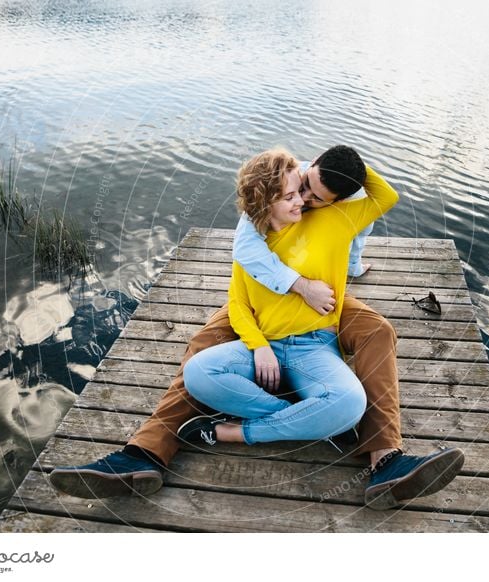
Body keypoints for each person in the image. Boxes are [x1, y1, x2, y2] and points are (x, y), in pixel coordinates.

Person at [49, 145, 464, 510]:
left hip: (319, 308)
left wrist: (340, 161)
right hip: (262, 295)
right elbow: (243, 273)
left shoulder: (334, 213)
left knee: (378, 331)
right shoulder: (259, 220)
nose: (303, 199)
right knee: (205, 343)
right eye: (298, 189)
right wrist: (296, 284)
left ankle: (384, 459)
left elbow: (377, 196)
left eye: (314, 195)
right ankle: (146, 451)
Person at [176, 148, 371, 448]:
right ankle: (308, 420)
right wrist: (260, 347)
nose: (303, 200)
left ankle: (233, 433)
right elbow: (238, 305)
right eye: (291, 195)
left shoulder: (330, 221)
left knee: (349, 403)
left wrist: (324, 165)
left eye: (302, 189)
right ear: (265, 205)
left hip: (314, 348)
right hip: (264, 347)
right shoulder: (250, 249)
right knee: (198, 373)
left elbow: (384, 195)